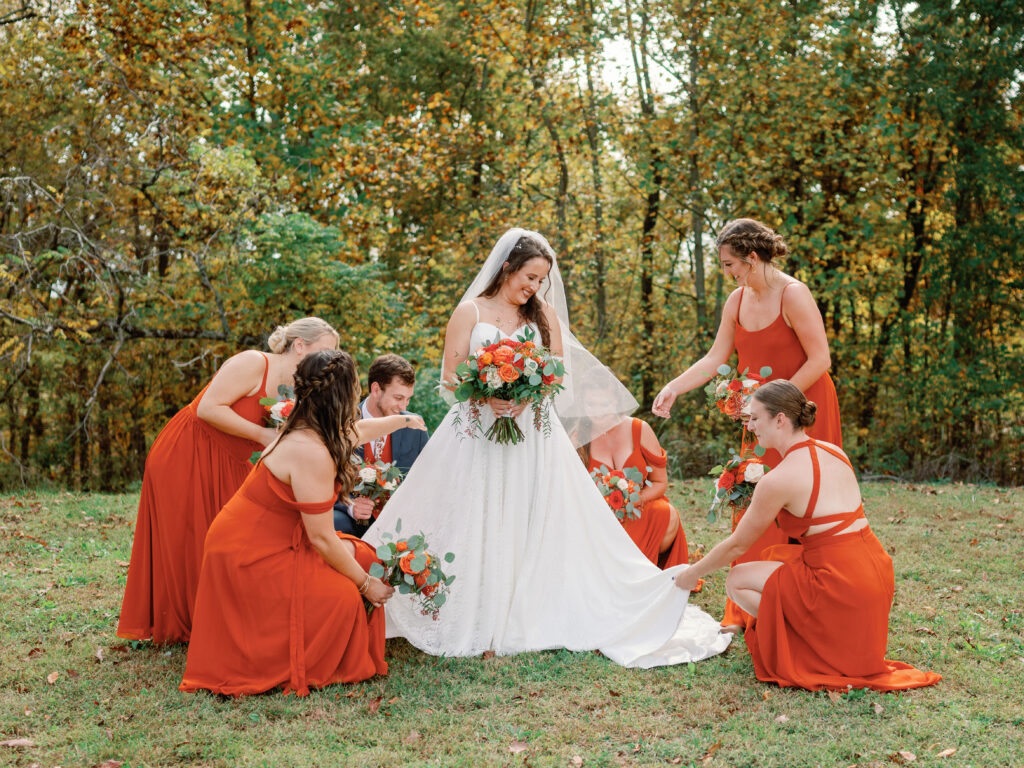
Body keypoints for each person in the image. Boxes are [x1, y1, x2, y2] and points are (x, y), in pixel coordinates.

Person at [363, 228, 731, 668]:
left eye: (540, 280)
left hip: (532, 434)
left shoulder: (543, 318)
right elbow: (449, 378)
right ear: (506, 267)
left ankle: (529, 608)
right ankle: (469, 610)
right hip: (474, 433)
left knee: (530, 513)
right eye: (530, 277)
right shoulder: (469, 312)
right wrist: (485, 396)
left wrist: (524, 398)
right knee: (472, 513)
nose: (533, 287)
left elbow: (555, 376)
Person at [180, 349, 427, 696]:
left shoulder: (316, 425)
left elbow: (360, 430)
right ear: (342, 396)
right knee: (345, 595)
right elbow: (323, 539)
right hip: (249, 555)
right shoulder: (308, 450)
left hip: (279, 539)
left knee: (367, 557)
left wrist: (404, 420)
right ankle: (306, 661)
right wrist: (365, 585)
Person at [673, 380, 940, 691]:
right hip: (876, 572)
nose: (751, 426)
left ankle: (808, 644)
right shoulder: (835, 451)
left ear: (780, 419)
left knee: (737, 580)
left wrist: (691, 574)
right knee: (777, 558)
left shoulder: (780, 479)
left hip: (840, 582)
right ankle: (825, 635)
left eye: (756, 418)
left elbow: (739, 544)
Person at [652, 218, 843, 632]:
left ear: (751, 258)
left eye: (728, 265)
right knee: (752, 496)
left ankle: (815, 602)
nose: (727, 274)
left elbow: (820, 360)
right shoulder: (737, 302)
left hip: (804, 410)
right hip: (762, 420)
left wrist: (774, 401)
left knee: (807, 504)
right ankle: (747, 607)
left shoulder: (794, 294)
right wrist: (675, 387)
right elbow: (715, 358)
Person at [118, 317, 339, 644]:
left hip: (230, 463)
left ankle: (210, 617)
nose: (327, 361)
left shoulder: (297, 387)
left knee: (222, 539)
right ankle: (185, 622)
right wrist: (263, 434)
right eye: (324, 351)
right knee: (187, 536)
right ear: (300, 345)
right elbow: (207, 408)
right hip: (188, 451)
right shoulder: (252, 362)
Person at [577, 383, 690, 569]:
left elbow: (660, 481)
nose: (598, 412)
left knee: (664, 512)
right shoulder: (579, 437)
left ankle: (643, 571)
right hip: (599, 517)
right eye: (591, 404)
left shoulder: (639, 429)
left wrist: (634, 501)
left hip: (639, 509)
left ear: (617, 401)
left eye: (604, 404)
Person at [334, 354, 430, 536]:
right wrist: (349, 507)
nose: (403, 407)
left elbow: (426, 480)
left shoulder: (415, 427)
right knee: (333, 523)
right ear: (376, 389)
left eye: (408, 399)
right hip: (350, 519)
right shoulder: (342, 423)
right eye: (398, 397)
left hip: (398, 522)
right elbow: (321, 482)